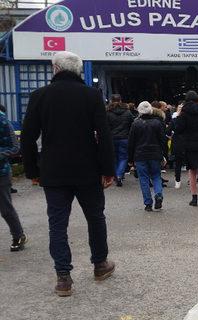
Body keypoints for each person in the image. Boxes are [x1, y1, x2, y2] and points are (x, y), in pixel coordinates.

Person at [21, 51, 116, 297]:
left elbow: (28, 137)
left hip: (53, 170)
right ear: (78, 71)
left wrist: (32, 170)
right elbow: (104, 135)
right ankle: (100, 264)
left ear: (55, 68)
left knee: (57, 224)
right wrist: (108, 170)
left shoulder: (39, 96)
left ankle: (63, 277)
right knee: (95, 218)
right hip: (88, 169)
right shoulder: (92, 95)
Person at [128, 101, 168, 211]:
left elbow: (131, 142)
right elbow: (162, 141)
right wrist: (164, 155)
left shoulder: (135, 124)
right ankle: (158, 194)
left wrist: (130, 159)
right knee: (156, 176)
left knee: (144, 179)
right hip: (155, 153)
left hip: (140, 155)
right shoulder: (157, 123)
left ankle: (148, 203)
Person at [0, 105, 27, 252]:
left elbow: (15, 147)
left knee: (5, 209)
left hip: (1, 172)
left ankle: (18, 235)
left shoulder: (2, 120)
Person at [106, 94, 134, 187]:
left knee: (114, 158)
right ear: (121, 100)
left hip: (111, 138)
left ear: (111, 100)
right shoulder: (127, 112)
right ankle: (119, 175)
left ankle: (116, 174)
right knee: (123, 157)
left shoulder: (108, 112)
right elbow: (132, 124)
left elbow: (105, 126)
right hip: (124, 138)